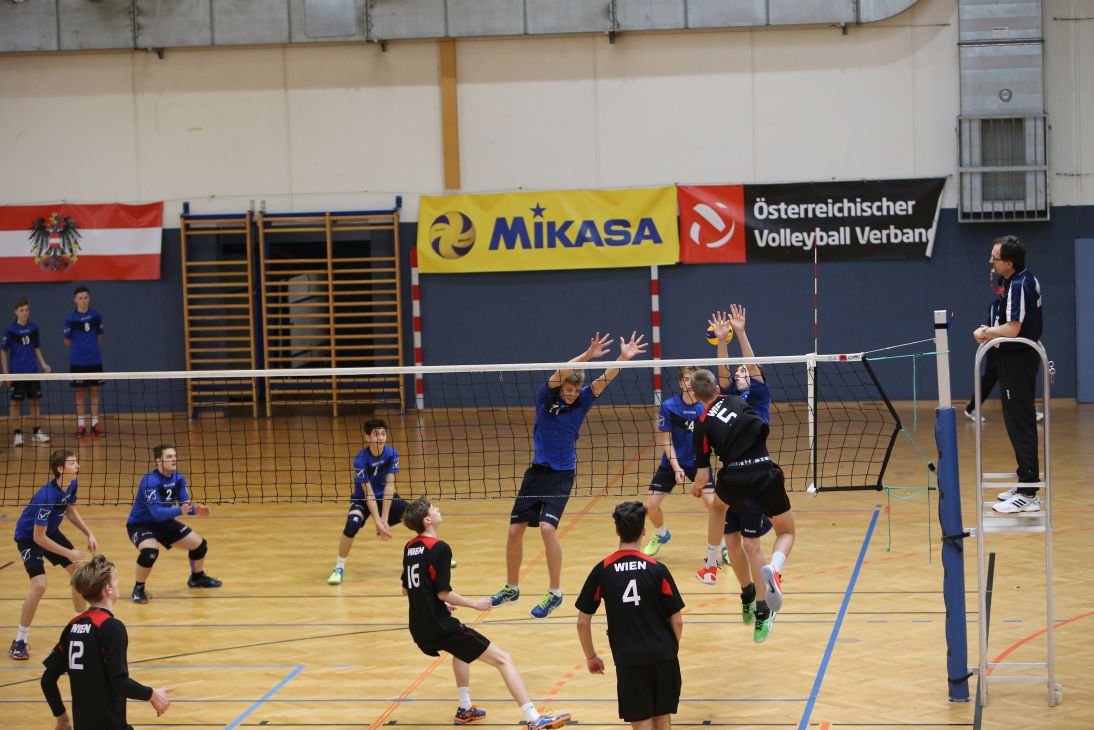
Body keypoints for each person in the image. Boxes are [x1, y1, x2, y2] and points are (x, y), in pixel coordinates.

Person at [490, 331, 648, 619]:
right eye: (568, 389)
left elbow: (604, 380)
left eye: (576, 389)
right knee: (514, 531)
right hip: (537, 472)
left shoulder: (583, 401)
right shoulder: (545, 396)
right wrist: (587, 356)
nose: (572, 393)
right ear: (561, 387)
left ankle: (555, 592)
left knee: (547, 529)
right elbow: (561, 371)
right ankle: (512, 587)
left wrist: (623, 358)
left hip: (562, 475)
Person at [401, 497, 571, 730]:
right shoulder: (439, 548)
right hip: (439, 626)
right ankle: (534, 718)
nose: (438, 509)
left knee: (460, 651)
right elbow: (442, 593)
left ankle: (465, 708)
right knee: (504, 659)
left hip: (419, 626)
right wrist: (474, 604)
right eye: (433, 508)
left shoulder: (410, 547)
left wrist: (439, 605)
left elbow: (408, 588)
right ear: (427, 520)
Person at [689, 368, 795, 641]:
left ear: (695, 396)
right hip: (762, 473)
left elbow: (702, 476)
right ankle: (758, 599)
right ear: (717, 389)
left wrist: (697, 487)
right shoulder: (738, 401)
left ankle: (717, 570)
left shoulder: (701, 423)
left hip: (732, 480)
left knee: (731, 529)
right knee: (762, 538)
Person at [701, 306, 779, 641]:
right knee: (732, 542)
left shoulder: (759, 396)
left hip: (755, 476)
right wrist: (722, 340)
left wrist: (741, 333)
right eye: (738, 370)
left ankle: (764, 609)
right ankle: (747, 592)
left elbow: (753, 365)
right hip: (730, 478)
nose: (741, 370)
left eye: (745, 370)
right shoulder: (727, 397)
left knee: (751, 545)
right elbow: (722, 372)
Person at [576, 501, 684, 730]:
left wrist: (591, 656)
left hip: (630, 659)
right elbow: (677, 620)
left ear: (617, 530)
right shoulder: (658, 569)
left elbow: (582, 622)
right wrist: (669, 651)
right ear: (644, 532)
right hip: (663, 654)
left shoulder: (602, 570)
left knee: (642, 722)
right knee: (662, 718)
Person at [41, 554, 173, 729]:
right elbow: (119, 682)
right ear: (108, 589)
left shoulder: (72, 627)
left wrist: (62, 717)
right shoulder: (111, 627)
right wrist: (152, 695)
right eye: (115, 580)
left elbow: (47, 680)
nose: (118, 583)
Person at [974, 235, 1044, 514]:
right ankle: (1025, 481)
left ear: (1009, 263)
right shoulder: (1022, 280)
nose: (991, 262)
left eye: (995, 258)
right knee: (1017, 421)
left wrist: (985, 332)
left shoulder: (1018, 285)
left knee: (1021, 423)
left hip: (1018, 361)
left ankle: (1028, 493)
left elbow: (1013, 329)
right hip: (1013, 360)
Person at [10, 450, 97, 661]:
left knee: (78, 573)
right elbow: (38, 538)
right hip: (29, 537)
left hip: (49, 532)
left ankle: (80, 629)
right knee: (40, 585)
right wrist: (69, 552)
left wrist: (89, 533)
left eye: (76, 462)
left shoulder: (71, 484)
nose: (77, 465)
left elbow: (69, 510)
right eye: (72, 463)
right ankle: (20, 641)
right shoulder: (46, 496)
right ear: (60, 469)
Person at [126, 444, 221, 603]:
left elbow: (185, 505)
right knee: (150, 551)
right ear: (159, 461)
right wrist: (181, 510)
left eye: (175, 456)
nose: (174, 459)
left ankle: (197, 578)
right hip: (140, 525)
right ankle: (138, 588)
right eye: (169, 456)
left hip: (164, 522)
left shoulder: (178, 478)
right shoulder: (150, 481)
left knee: (200, 545)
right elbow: (156, 512)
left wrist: (195, 510)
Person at [328, 418, 407, 585]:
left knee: (420, 514)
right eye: (376, 434)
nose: (380, 438)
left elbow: (390, 487)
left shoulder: (392, 454)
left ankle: (434, 555)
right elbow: (368, 493)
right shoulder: (360, 460)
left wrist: (384, 519)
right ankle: (339, 567)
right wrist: (377, 522)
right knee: (352, 524)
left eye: (383, 434)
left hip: (385, 497)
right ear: (367, 437)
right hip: (363, 499)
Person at [965, 273, 1044, 424]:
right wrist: (989, 333)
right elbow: (993, 327)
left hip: (1014, 349)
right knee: (990, 378)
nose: (1007, 289)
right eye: (1005, 286)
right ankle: (971, 408)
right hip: (997, 348)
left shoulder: (1017, 302)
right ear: (1001, 288)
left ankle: (1030, 410)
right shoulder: (996, 305)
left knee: (1024, 379)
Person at [641, 366, 703, 558]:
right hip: (671, 463)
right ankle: (661, 534)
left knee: (715, 503)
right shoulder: (669, 406)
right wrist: (676, 468)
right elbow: (666, 440)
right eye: (685, 379)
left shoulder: (705, 407)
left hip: (698, 464)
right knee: (651, 505)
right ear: (680, 383)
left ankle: (725, 545)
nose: (689, 383)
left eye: (693, 379)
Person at [2, 298, 52, 446]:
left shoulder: (33, 328)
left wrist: (43, 364)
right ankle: (17, 434)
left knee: (35, 402)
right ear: (16, 312)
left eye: (26, 310)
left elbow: (36, 348)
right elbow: (3, 351)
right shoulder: (10, 330)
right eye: (21, 310)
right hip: (17, 373)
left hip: (32, 372)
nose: (24, 313)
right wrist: (6, 374)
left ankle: (36, 432)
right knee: (15, 403)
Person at [62, 286, 105, 438]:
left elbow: (99, 337)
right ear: (75, 300)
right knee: (79, 394)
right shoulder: (70, 319)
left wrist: (90, 348)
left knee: (94, 392)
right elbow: (67, 341)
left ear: (89, 298)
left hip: (94, 360)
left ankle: (95, 425)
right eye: (80, 298)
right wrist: (80, 347)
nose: (83, 300)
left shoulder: (96, 316)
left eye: (85, 297)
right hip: (78, 362)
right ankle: (81, 426)